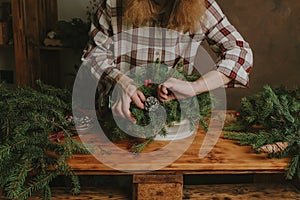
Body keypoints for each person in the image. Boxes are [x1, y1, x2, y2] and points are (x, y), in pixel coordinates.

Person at [81, 0, 253, 124]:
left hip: (175, 119)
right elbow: (93, 55)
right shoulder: (113, 4)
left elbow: (240, 53)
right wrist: (121, 81)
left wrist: (195, 87)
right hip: (116, 118)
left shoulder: (203, 5)